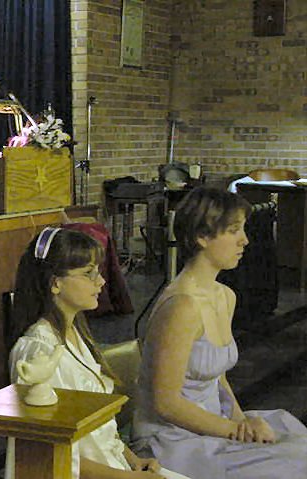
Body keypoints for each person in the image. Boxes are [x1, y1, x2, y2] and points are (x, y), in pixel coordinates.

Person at [131, 187, 307, 478]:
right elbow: (166, 404)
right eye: (234, 230)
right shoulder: (182, 306)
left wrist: (240, 422)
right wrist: (236, 431)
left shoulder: (225, 295)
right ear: (202, 236)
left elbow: (218, 380)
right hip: (173, 438)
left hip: (214, 423)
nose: (245, 240)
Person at [6, 227, 190, 479]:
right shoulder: (38, 353)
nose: (101, 281)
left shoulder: (75, 333)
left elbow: (101, 430)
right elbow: (48, 453)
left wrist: (133, 461)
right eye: (88, 273)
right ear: (56, 283)